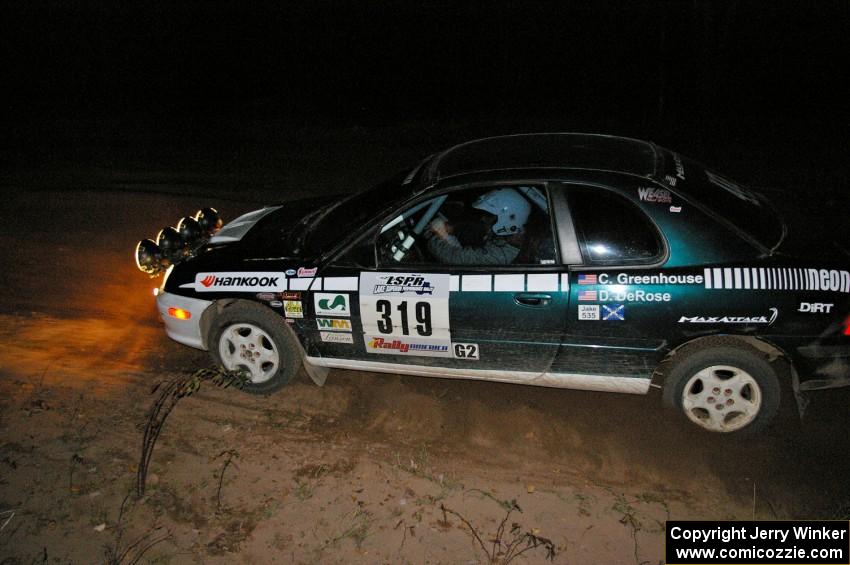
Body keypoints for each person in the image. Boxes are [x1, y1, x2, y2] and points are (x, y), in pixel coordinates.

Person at [427, 188, 531, 265]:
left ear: (507, 220)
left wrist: (431, 235)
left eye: (489, 216)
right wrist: (453, 228)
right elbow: (474, 229)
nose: (483, 219)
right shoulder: (504, 240)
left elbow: (456, 258)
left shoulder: (502, 254)